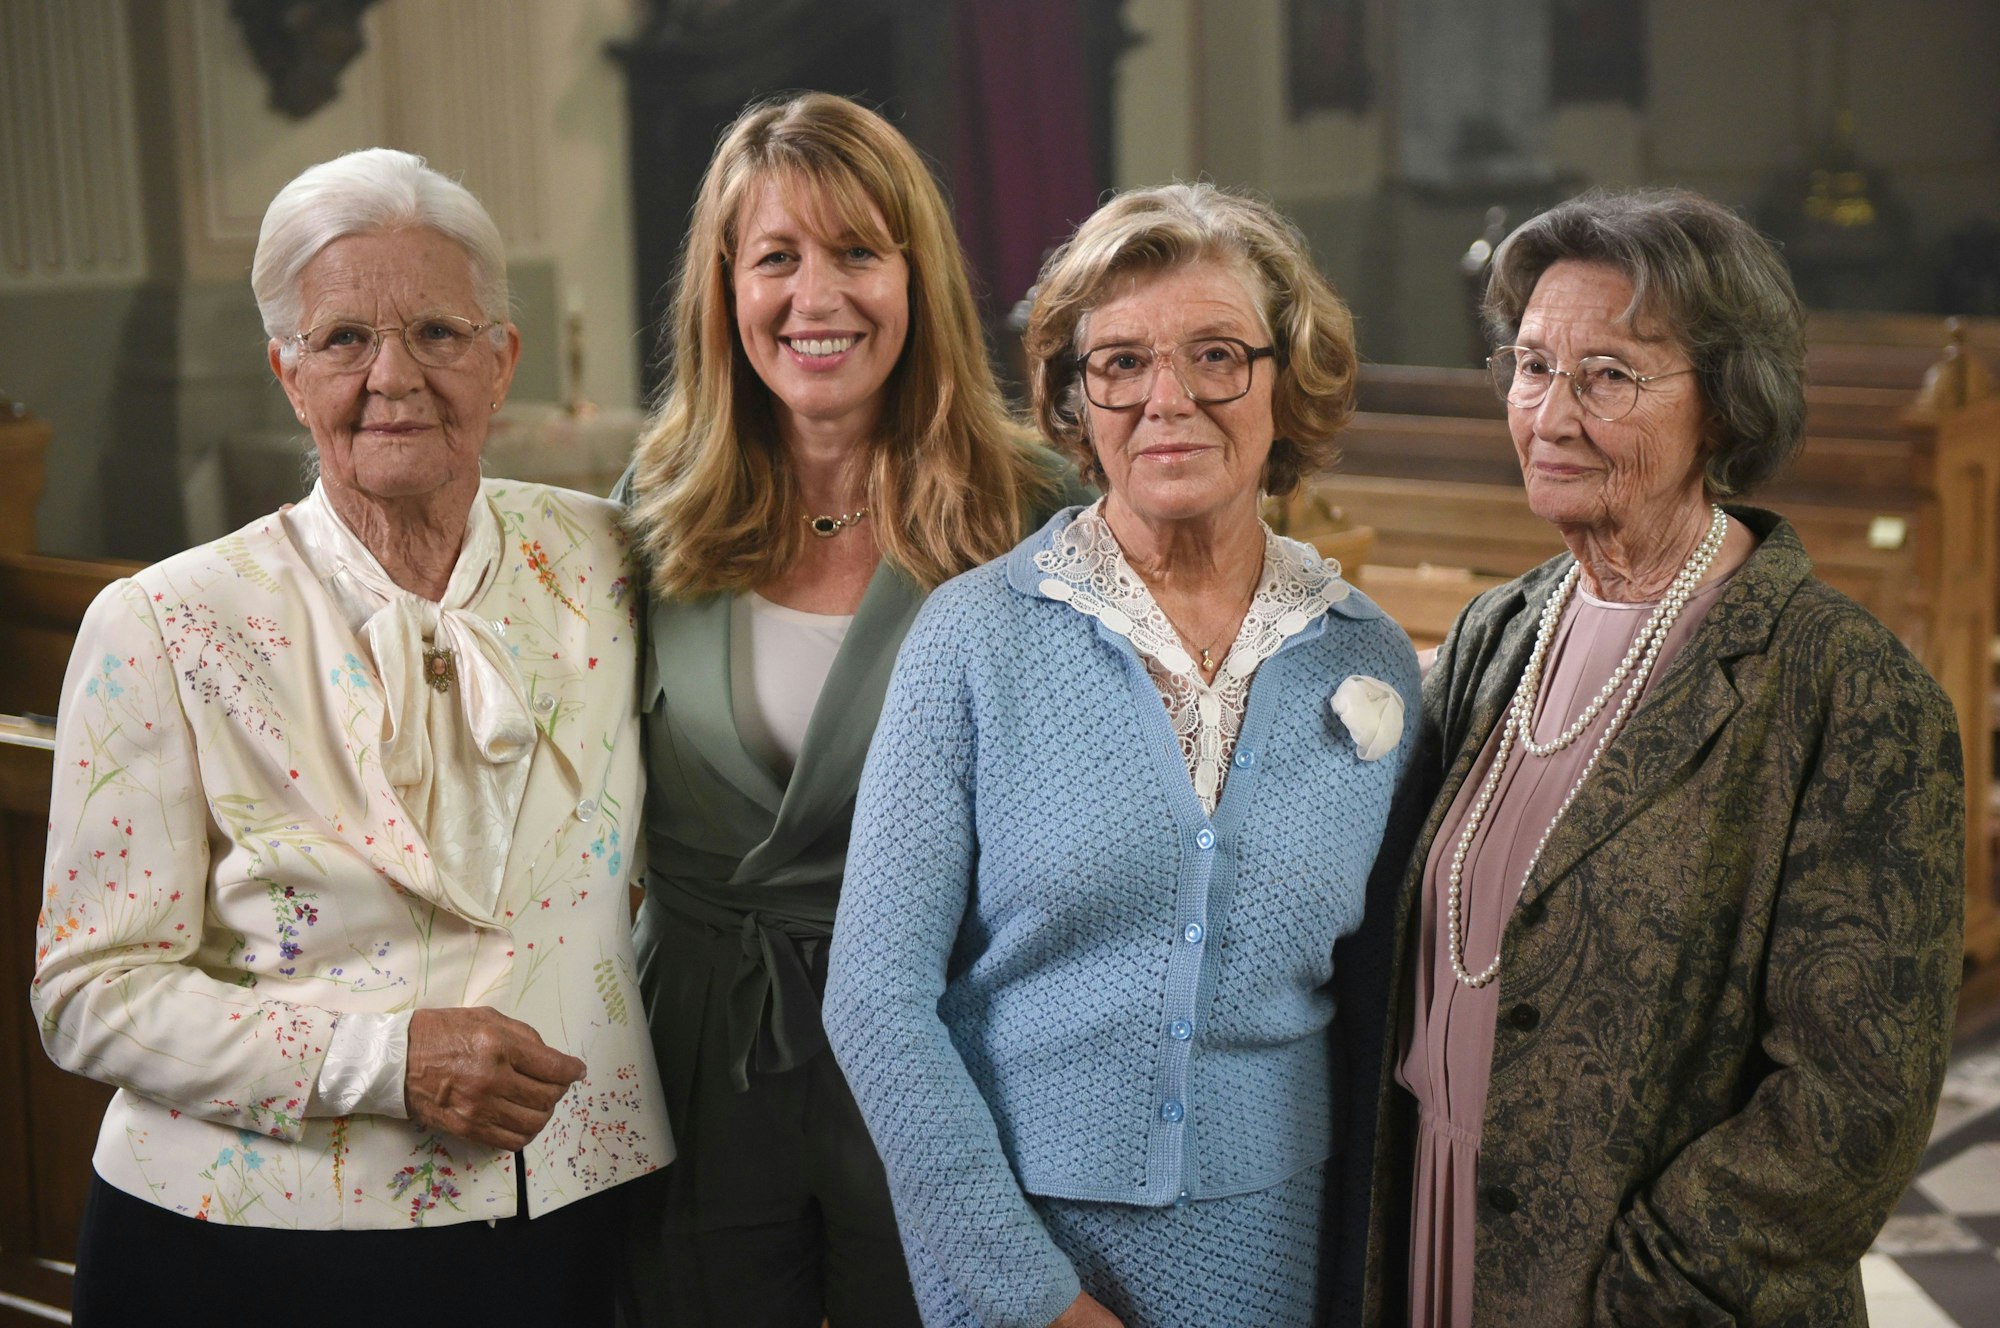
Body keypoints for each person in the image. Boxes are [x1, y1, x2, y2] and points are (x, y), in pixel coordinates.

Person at [32, 148, 670, 1325]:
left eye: (436, 330)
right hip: (245, 1251)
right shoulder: (163, 623)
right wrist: (384, 1060)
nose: (393, 376)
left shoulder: (609, 560)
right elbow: (89, 992)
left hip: (568, 1220)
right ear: (286, 371)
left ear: (501, 359)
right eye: (341, 340)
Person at [1360, 188, 1966, 1327]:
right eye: (1530, 365)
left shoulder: (1845, 691)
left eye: (1606, 376)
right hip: (1432, 1244)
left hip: (1641, 1295)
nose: (1547, 413)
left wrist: (1640, 1293)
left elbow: (1852, 1105)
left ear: (1725, 407)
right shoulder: (1496, 632)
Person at [823, 182, 1420, 1328]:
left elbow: (1372, 1013)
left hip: (1275, 1253)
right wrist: (1029, 1294)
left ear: (1285, 383)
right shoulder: (972, 636)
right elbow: (874, 1000)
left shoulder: (1371, 660)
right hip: (1017, 1247)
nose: (1167, 399)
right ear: (1071, 397)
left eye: (1215, 355)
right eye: (1119, 363)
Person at [615, 92, 1081, 1327]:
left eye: (857, 253)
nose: (814, 297)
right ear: (725, 289)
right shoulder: (652, 506)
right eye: (777, 257)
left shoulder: (1034, 511)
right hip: (698, 1049)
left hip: (942, 1045)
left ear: (916, 277)